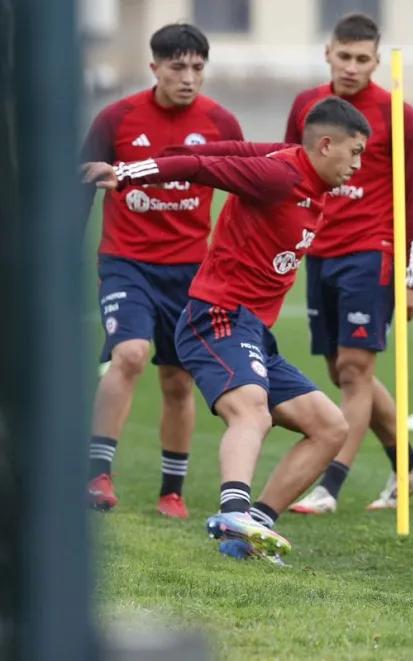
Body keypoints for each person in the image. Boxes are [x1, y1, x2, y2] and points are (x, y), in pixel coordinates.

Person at [83, 97, 370, 560]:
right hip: (217, 317)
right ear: (325, 145)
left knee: (331, 427)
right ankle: (233, 511)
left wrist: (172, 151)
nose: (358, 165)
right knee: (252, 410)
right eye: (354, 152)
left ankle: (252, 530)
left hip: (252, 331)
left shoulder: (293, 167)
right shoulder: (279, 176)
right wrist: (129, 172)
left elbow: (226, 150)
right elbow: (202, 168)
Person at [81, 23, 243, 519]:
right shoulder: (116, 119)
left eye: (197, 67)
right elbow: (81, 183)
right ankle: (97, 474)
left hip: (191, 271)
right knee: (130, 355)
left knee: (177, 380)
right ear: (154, 68)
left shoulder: (221, 123)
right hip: (126, 262)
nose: (188, 77)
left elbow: (246, 192)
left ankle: (171, 490)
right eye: (177, 67)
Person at [283, 13, 413, 515]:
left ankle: (330, 485)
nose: (351, 66)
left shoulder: (399, 115)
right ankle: (409, 464)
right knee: (343, 370)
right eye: (344, 56)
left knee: (354, 368)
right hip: (318, 250)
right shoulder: (306, 106)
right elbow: (289, 170)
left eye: (362, 59)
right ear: (328, 52)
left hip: (373, 251)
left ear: (377, 60)